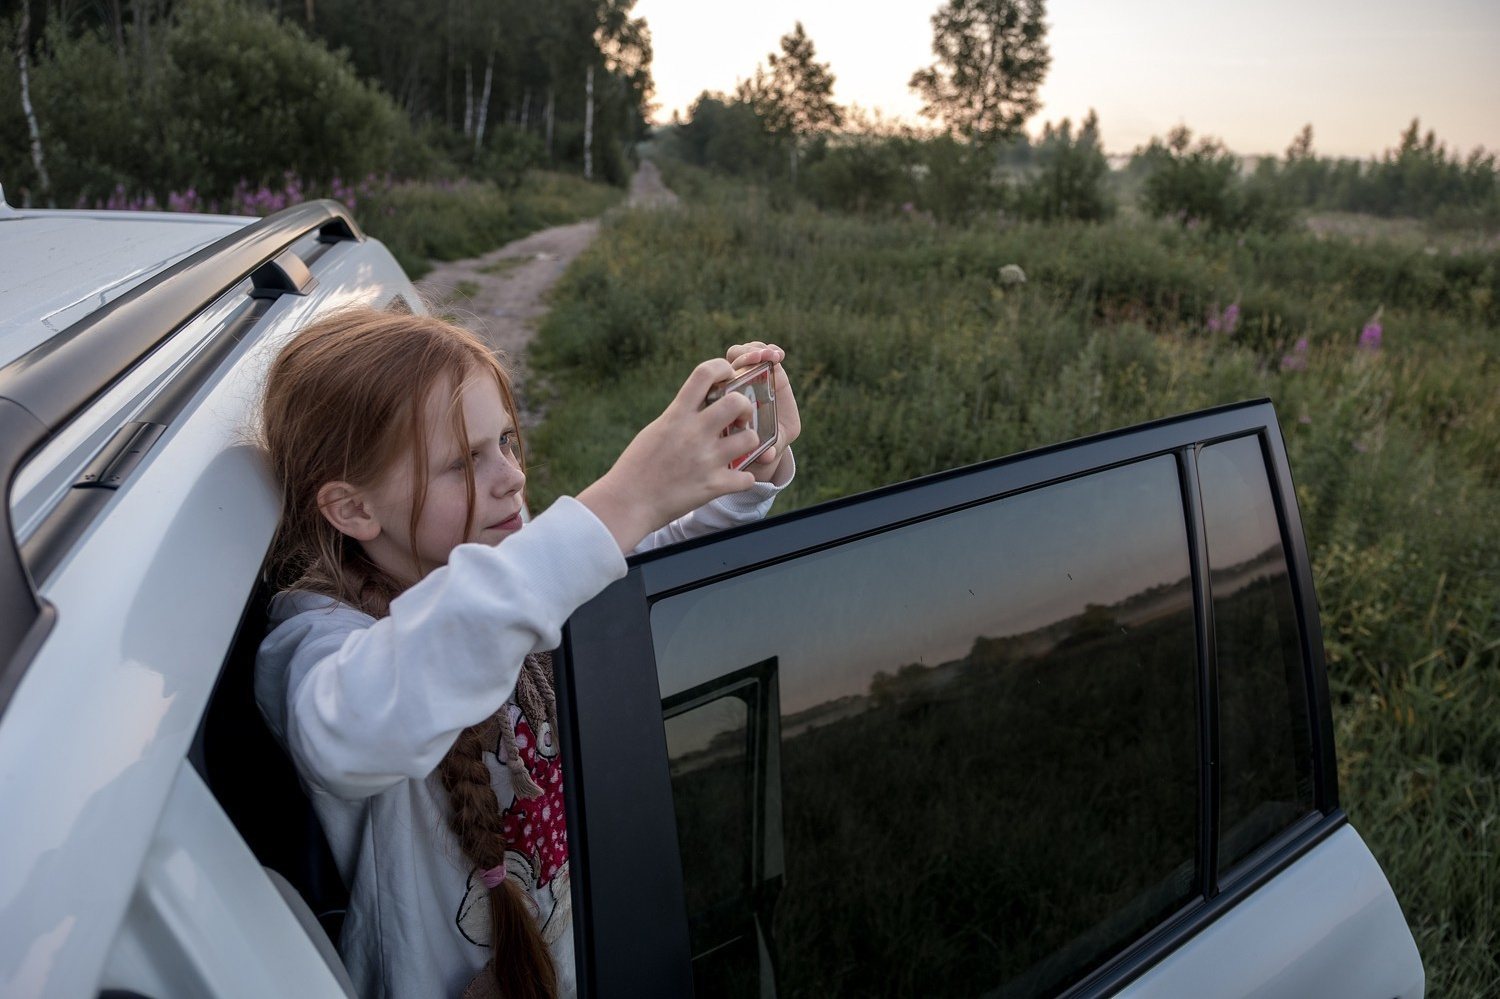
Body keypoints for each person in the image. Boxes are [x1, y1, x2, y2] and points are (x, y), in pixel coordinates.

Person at [253, 306, 798, 999]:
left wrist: (738, 472)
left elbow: (622, 567)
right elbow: (349, 729)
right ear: (354, 508)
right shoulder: (317, 639)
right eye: (462, 461)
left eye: (506, 440)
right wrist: (623, 497)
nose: (510, 475)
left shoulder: (514, 564)